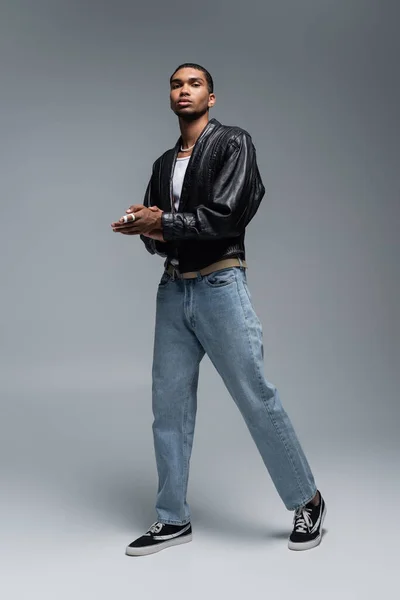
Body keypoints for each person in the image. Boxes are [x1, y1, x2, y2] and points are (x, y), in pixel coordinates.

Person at [111, 63, 326, 556]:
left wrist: (161, 221)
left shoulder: (234, 143)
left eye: (194, 84)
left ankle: (307, 499)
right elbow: (162, 236)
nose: (183, 90)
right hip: (173, 291)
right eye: (175, 84)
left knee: (254, 396)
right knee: (168, 410)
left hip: (220, 285)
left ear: (211, 97)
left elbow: (224, 217)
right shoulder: (163, 163)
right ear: (169, 96)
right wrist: (144, 227)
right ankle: (171, 519)